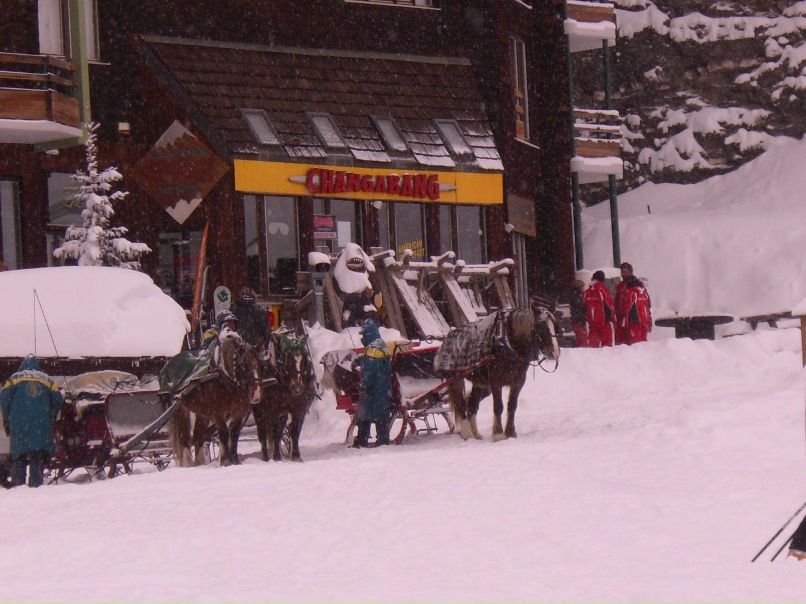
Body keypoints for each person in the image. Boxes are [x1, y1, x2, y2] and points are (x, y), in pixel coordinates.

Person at [0, 356, 64, 488]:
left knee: (19, 455)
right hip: (41, 425)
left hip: (19, 425)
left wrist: (7, 419)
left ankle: (18, 484)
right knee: (37, 454)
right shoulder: (47, 379)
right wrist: (51, 415)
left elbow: (4, 400)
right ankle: (36, 484)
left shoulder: (14, 379)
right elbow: (58, 400)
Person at [352, 320, 391, 448]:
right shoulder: (379, 344)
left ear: (369, 334)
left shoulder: (372, 349)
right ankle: (383, 439)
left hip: (373, 387)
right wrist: (361, 360)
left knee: (364, 413)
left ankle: (361, 440)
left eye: (364, 335)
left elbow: (370, 368)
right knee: (381, 414)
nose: (362, 338)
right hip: (382, 385)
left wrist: (364, 384)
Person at [231, 287, 272, 352]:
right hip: (255, 348)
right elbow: (266, 332)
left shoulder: (233, 310)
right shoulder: (259, 310)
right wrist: (265, 346)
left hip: (238, 348)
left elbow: (230, 329)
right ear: (253, 296)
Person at [583, 270, 615, 348]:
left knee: (593, 349)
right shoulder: (602, 290)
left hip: (592, 324)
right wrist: (613, 319)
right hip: (604, 323)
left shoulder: (586, 292)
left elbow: (583, 307)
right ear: (602, 279)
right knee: (607, 348)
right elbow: (610, 305)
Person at [569, 279, 588, 348]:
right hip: (579, 321)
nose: (584, 288)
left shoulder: (575, 296)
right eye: (583, 287)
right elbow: (579, 309)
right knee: (583, 342)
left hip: (577, 321)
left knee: (581, 340)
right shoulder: (577, 298)